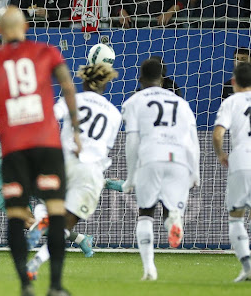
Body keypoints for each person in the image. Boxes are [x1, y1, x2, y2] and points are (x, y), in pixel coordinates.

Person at [0, 6, 82, 296]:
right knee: (56, 212)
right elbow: (68, 87)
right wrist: (78, 133)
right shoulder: (46, 51)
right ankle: (56, 286)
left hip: (14, 149)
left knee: (16, 215)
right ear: (26, 27)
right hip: (47, 146)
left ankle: (25, 286)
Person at [26, 62, 122, 280]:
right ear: (105, 85)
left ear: (84, 81)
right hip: (90, 173)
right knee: (65, 226)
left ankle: (40, 229)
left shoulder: (71, 100)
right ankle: (35, 262)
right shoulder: (115, 115)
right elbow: (104, 150)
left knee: (46, 203)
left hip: (63, 160)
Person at [122, 57, 200, 280]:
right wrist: (195, 172)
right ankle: (174, 219)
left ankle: (149, 269)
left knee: (145, 214)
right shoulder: (181, 104)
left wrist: (130, 176)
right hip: (179, 159)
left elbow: (133, 142)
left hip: (151, 156)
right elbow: (192, 141)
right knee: (170, 209)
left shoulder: (134, 102)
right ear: (163, 79)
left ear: (140, 77)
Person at [213, 62, 251, 282]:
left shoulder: (231, 102)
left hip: (241, 161)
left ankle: (247, 267)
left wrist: (221, 154)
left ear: (234, 82)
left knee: (236, 218)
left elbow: (218, 135)